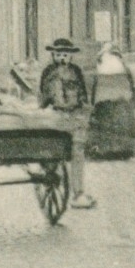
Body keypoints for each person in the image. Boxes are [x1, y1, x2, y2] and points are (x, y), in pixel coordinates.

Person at [40, 36, 95, 209]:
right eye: (59, 55)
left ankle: (78, 192)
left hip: (74, 116)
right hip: (56, 116)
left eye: (65, 55)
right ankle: (50, 173)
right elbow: (43, 96)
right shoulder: (48, 71)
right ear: (53, 56)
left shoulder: (76, 71)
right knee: (52, 148)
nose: (62, 58)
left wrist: (83, 110)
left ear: (71, 56)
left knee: (78, 150)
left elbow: (83, 95)